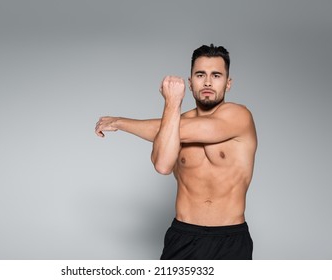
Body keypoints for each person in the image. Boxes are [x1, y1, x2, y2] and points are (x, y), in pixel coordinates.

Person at [95, 44, 257, 260]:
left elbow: (186, 130)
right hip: (183, 235)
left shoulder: (239, 116)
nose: (208, 82)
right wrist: (172, 102)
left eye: (216, 75)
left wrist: (120, 122)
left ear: (228, 83)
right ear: (190, 84)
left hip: (230, 240)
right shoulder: (173, 125)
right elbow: (162, 165)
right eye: (200, 75)